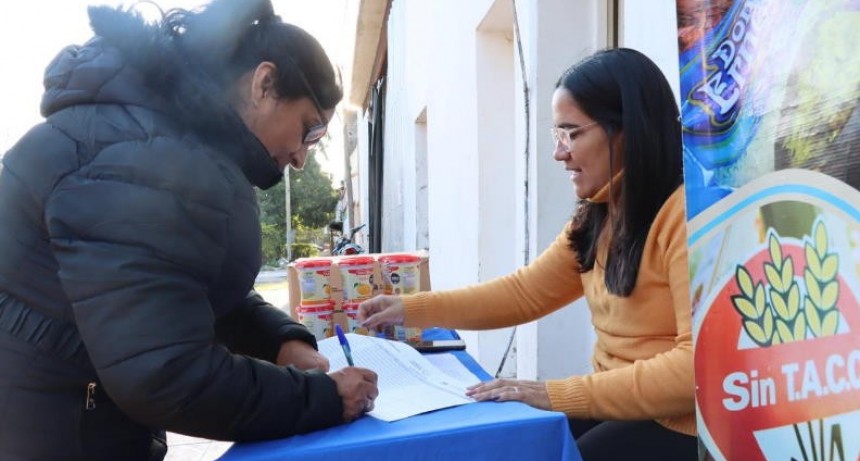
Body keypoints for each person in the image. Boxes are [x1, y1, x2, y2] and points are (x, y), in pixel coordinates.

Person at [0, 1, 378, 460]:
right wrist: (323, 399)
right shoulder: (139, 158)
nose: (301, 157)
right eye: (310, 131)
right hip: (51, 431)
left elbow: (175, 283)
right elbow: (166, 375)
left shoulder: (152, 136)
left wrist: (279, 340)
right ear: (263, 84)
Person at [359, 48, 695, 461]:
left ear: (626, 130)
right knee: (508, 439)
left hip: (679, 422)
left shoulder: (685, 215)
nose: (559, 153)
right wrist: (408, 308)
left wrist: (552, 392)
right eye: (557, 136)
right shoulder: (597, 217)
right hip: (618, 405)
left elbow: (694, 368)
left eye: (571, 133)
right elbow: (525, 293)